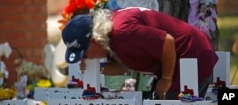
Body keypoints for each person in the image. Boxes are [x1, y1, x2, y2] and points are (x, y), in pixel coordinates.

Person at [61, 7, 218, 100]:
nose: (85, 58)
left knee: (172, 100)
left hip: (192, 55)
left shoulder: (123, 32)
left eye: (84, 53)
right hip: (179, 59)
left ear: (94, 41)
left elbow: (167, 41)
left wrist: (166, 79)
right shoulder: (108, 34)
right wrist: (99, 68)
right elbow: (123, 66)